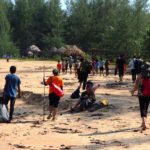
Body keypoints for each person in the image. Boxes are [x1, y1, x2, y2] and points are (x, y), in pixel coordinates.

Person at [130, 62, 150, 132]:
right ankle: (143, 122)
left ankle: (144, 123)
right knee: (146, 107)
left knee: (142, 107)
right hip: (149, 94)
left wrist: (132, 91)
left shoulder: (139, 75)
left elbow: (135, 87)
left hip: (141, 94)